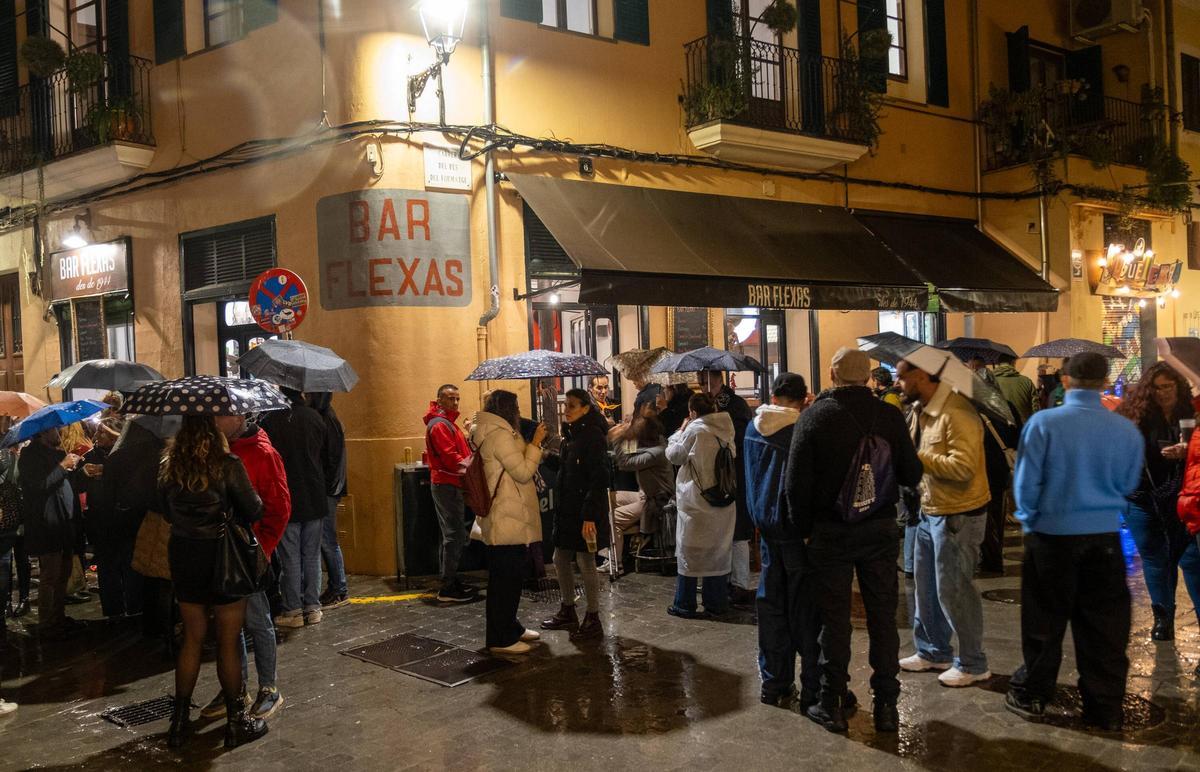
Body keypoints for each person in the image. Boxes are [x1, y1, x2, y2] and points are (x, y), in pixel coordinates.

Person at [1005, 352, 1144, 730]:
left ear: (1065, 380)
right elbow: (1130, 483)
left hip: (1051, 534)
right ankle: (1105, 708)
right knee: (1104, 626)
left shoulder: (1044, 423)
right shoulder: (1124, 429)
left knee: (1043, 622)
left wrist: (1030, 519)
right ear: (1103, 381)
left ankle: (1035, 692)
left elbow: (1026, 482)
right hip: (1104, 536)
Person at [788, 352, 923, 732]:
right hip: (878, 530)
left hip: (830, 532)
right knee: (882, 619)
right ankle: (886, 708)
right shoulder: (890, 416)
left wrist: (805, 529)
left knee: (834, 622)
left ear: (831, 374)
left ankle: (831, 704)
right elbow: (912, 472)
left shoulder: (815, 416)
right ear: (868, 377)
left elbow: (795, 485)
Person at [158, 415, 267, 749]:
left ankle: (178, 723)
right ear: (213, 431)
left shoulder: (169, 467)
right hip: (223, 557)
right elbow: (254, 509)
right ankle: (237, 722)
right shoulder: (228, 464)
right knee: (228, 640)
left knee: (191, 638)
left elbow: (165, 511)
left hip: (185, 556)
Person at [896, 357, 992, 687]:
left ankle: (972, 662)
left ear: (922, 374)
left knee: (955, 591)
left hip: (958, 514)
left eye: (902, 377)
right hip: (928, 508)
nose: (898, 383)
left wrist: (916, 457)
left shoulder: (957, 412)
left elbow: (964, 467)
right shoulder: (918, 411)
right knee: (925, 588)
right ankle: (933, 650)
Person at [199, 413, 291, 722]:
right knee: (228, 623)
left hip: (248, 551)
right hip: (220, 550)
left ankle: (269, 687)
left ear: (238, 416)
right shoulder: (216, 449)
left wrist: (262, 548)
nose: (214, 421)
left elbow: (279, 507)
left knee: (257, 619)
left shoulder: (264, 453)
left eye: (220, 416)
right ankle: (235, 688)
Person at [1115, 363, 1200, 641]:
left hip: (1181, 497)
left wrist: (1186, 452)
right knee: (1155, 558)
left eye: (1168, 386)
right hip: (1142, 496)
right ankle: (1163, 618)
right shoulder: (1135, 414)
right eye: (1157, 387)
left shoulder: (1192, 413)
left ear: (1178, 386)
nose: (1163, 393)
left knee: (1189, 558)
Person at [743, 373, 811, 709]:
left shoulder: (753, 428)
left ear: (773, 394)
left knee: (770, 607)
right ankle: (811, 684)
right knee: (803, 610)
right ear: (805, 398)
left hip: (766, 529)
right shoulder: (803, 430)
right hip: (798, 533)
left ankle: (773, 683)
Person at [470, 390, 546, 654]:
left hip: (506, 515)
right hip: (506, 517)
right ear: (507, 409)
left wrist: (527, 444)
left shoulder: (494, 431)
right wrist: (535, 443)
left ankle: (510, 627)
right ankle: (500, 639)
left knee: (510, 578)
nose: (519, 411)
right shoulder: (499, 435)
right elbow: (523, 473)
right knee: (505, 580)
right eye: (515, 406)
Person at [540, 389, 610, 640]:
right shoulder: (571, 434)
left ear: (585, 408)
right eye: (566, 404)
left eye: (572, 405)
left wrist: (590, 516)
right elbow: (568, 469)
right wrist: (547, 456)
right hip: (567, 510)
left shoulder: (592, 436)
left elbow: (598, 477)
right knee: (560, 558)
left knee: (586, 562)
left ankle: (593, 617)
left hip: (584, 512)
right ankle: (568, 608)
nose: (566, 409)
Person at [261, 388, 333, 627]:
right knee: (311, 556)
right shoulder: (315, 418)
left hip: (287, 496)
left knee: (289, 556)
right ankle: (313, 607)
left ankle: (293, 610)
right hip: (314, 494)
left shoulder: (271, 420)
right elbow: (324, 454)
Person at [666, 391, 736, 618]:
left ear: (693, 412)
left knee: (689, 552)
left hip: (696, 500)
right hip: (722, 499)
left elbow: (675, 455)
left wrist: (679, 432)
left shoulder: (695, 430)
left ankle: (684, 604)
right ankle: (716, 603)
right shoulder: (726, 427)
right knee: (716, 552)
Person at [17, 427, 82, 640]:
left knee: (63, 572)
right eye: (55, 430)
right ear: (43, 433)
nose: (59, 433)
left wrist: (78, 469)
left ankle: (59, 616)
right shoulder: (29, 456)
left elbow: (62, 482)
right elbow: (40, 485)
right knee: (50, 575)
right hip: (47, 523)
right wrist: (63, 466)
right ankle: (46, 622)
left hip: (64, 522)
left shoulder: (57, 453)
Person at [700, 370, 756, 606]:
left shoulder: (733, 405)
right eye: (701, 382)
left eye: (706, 382)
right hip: (722, 473)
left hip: (734, 472)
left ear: (718, 381)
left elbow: (737, 439)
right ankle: (724, 581)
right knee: (723, 528)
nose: (703, 387)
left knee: (738, 529)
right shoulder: (712, 404)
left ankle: (740, 583)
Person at [423, 384, 478, 604]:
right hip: (448, 484)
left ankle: (450, 580)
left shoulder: (446, 424)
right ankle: (447, 587)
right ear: (439, 400)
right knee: (454, 535)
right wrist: (472, 468)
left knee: (451, 535)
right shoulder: (440, 426)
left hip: (450, 483)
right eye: (450, 399)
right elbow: (451, 457)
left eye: (457, 399)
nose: (455, 403)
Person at [609, 414, 673, 574]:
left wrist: (618, 438)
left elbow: (625, 463)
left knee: (613, 517)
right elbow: (630, 453)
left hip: (657, 501)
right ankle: (613, 548)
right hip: (645, 495)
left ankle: (616, 564)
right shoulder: (652, 444)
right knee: (609, 498)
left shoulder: (657, 452)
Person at [309, 392, 349, 609]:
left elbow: (330, 458)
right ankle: (337, 587)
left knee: (327, 540)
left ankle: (339, 589)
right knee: (327, 539)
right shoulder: (328, 417)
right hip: (330, 487)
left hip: (327, 489)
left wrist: (325, 486)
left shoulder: (326, 419)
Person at [0, 445, 30, 619]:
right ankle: (11, 601)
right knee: (9, 561)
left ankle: (16, 600)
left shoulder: (18, 457)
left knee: (17, 559)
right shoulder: (9, 457)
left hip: (18, 514)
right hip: (12, 515)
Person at [992, 354, 1038, 426]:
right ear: (1013, 363)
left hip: (998, 431)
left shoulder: (990, 381)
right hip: (1022, 429)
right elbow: (1035, 409)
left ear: (998, 364)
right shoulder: (1026, 381)